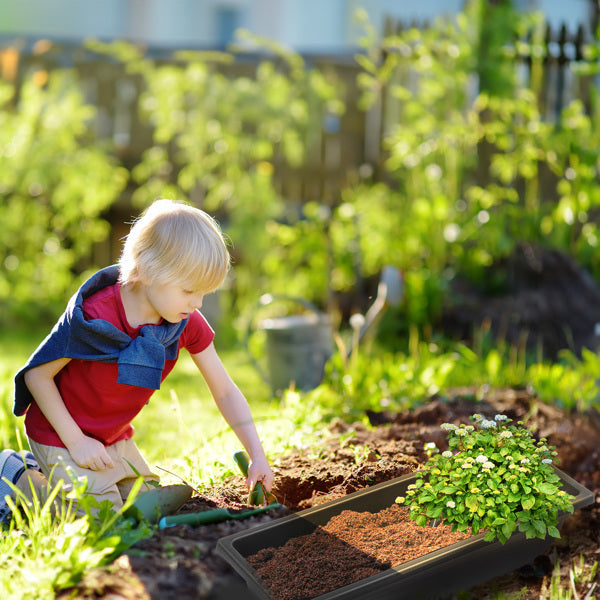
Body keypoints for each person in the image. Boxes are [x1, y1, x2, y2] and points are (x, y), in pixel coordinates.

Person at [6, 199, 274, 523]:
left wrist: (257, 456)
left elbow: (225, 391)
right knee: (99, 522)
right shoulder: (94, 315)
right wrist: (75, 442)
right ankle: (19, 475)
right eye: (189, 289)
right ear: (148, 270)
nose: (198, 302)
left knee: (144, 510)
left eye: (204, 292)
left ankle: (82, 481)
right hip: (59, 432)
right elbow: (37, 376)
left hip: (112, 437)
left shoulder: (184, 321)